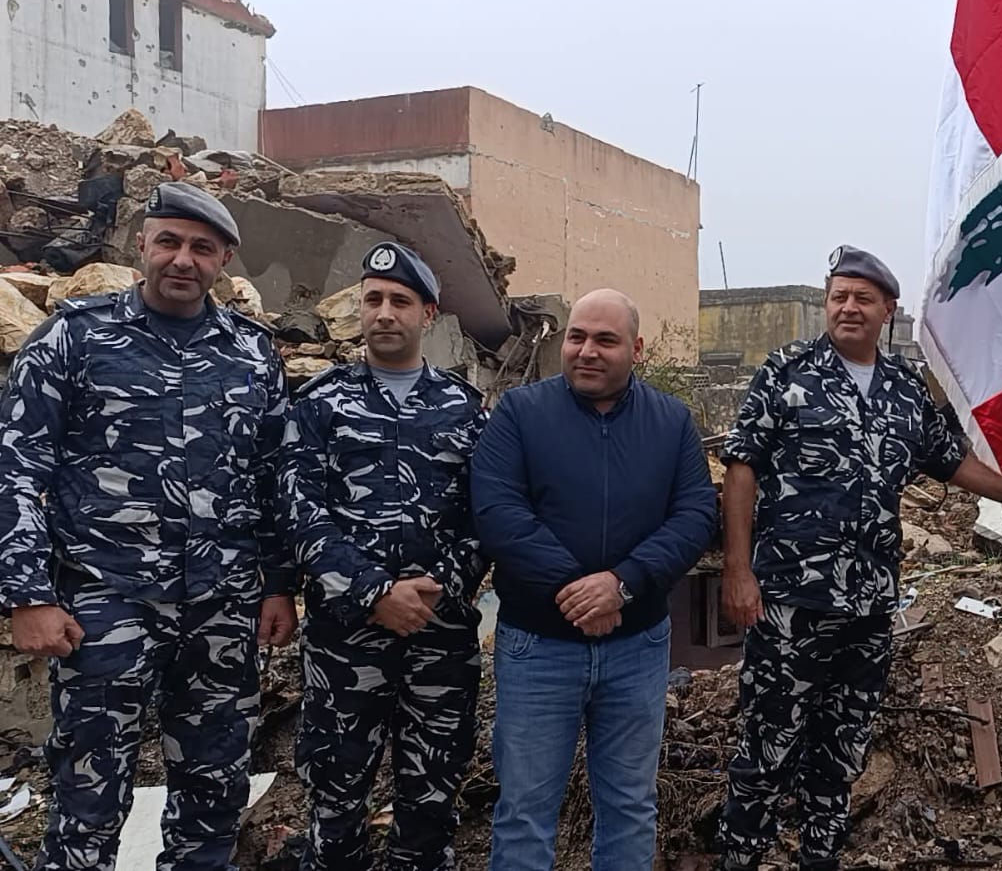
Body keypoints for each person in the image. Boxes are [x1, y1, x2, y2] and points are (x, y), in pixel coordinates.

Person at [716, 245, 1002, 871]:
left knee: (842, 747)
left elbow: (949, 461)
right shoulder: (787, 371)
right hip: (791, 600)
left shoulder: (905, 387)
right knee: (768, 746)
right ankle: (740, 858)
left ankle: (820, 857)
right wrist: (738, 571)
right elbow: (741, 468)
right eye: (838, 297)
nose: (848, 308)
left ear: (888, 309)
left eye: (862, 298)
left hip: (869, 605)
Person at [0, 181, 293, 870]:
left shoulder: (252, 353)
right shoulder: (75, 336)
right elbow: (16, 467)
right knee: (89, 792)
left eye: (202, 248)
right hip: (106, 601)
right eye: (169, 242)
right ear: (142, 246)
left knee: (215, 790)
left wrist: (279, 583)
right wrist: (27, 594)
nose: (183, 259)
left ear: (224, 260)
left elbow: (274, 478)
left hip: (221, 607)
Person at [472, 288, 718, 871]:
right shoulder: (519, 414)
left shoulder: (671, 422)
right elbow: (498, 512)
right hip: (538, 648)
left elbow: (693, 516)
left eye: (605, 340)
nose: (586, 351)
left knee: (630, 805)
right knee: (525, 810)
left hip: (637, 648)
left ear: (636, 349)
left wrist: (623, 584)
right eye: (577, 337)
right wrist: (582, 591)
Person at [279, 242, 487, 871]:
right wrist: (374, 593)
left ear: (429, 313)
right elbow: (301, 512)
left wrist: (438, 585)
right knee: (336, 802)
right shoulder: (319, 403)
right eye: (373, 300)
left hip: (439, 638)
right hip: (346, 643)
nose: (385, 313)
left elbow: (488, 518)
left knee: (431, 804)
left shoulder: (464, 408)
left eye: (401, 301)